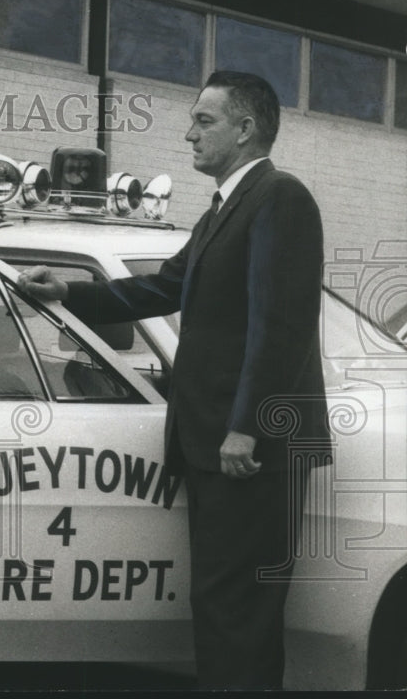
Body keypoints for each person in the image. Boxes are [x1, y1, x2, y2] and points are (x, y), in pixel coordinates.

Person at [18, 71, 329, 690]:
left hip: (247, 450)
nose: (188, 134)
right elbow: (163, 286)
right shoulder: (225, 206)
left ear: (246, 129)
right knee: (223, 606)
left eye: (204, 121)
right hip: (216, 444)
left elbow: (281, 328)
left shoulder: (279, 198)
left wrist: (246, 427)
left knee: (236, 610)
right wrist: (69, 292)